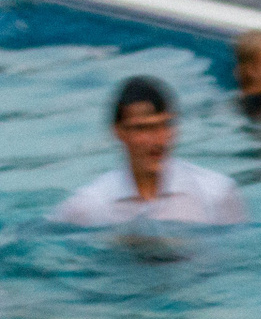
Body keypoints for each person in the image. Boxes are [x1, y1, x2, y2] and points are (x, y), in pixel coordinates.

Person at [51, 76, 246, 227]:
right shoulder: (90, 206)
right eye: (143, 128)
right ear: (118, 132)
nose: (158, 140)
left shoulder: (216, 194)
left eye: (165, 125)